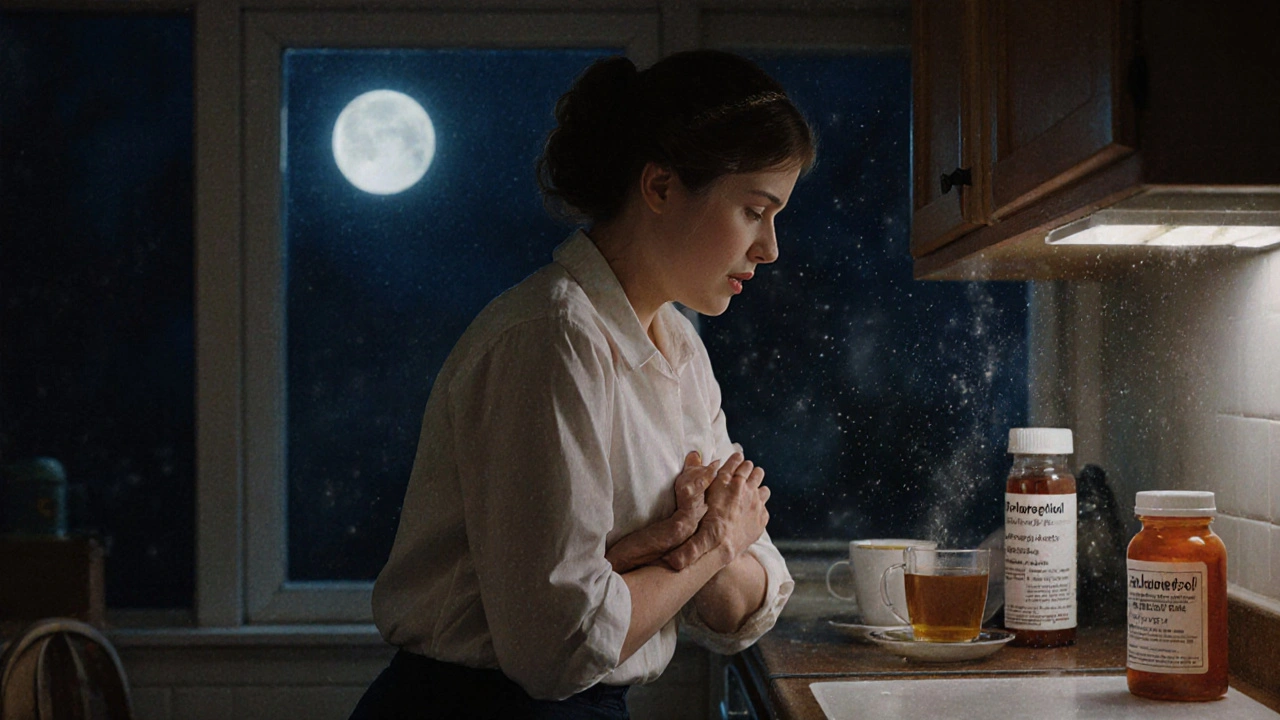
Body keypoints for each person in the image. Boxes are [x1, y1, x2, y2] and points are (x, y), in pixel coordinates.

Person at [349, 49, 816, 719]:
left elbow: (747, 606)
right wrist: (713, 541)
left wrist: (655, 559)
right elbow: (559, 649)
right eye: (753, 210)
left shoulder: (679, 347)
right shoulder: (551, 338)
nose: (770, 247)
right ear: (659, 188)